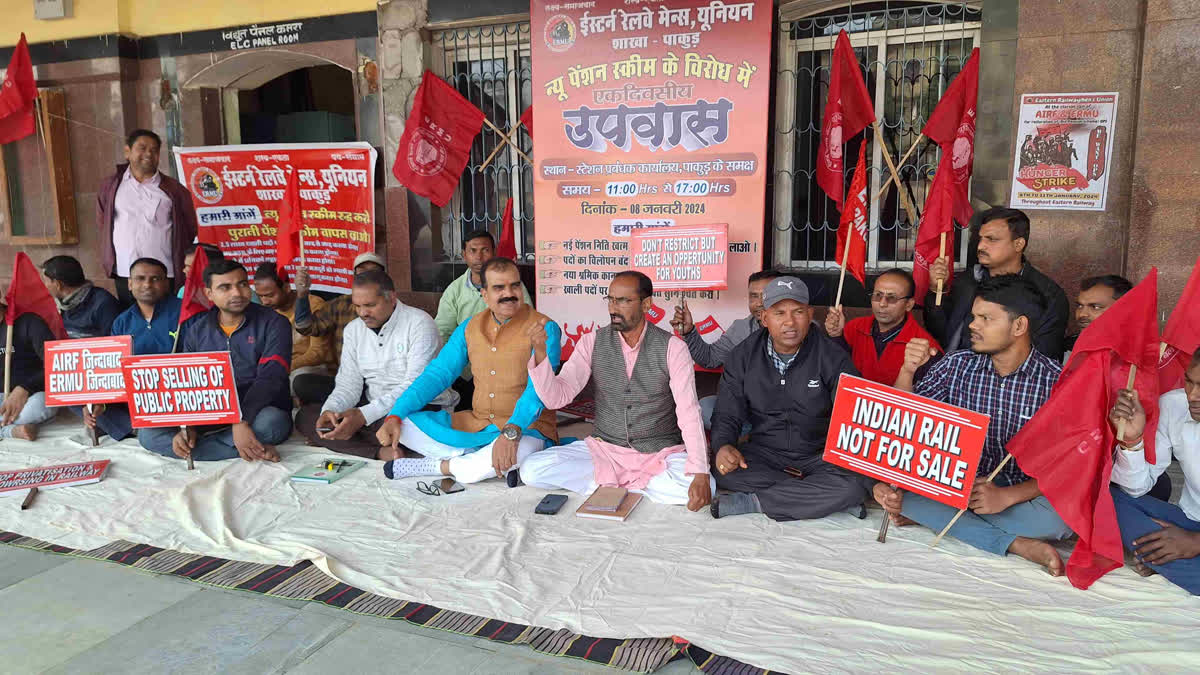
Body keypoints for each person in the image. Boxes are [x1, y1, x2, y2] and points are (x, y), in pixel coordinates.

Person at [873, 275, 1074, 575]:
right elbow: (904, 421)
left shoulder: (1058, 384)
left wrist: (1006, 496)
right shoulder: (957, 364)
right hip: (955, 487)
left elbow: (1069, 466)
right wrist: (907, 370)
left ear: (1019, 326)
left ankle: (944, 519)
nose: (973, 325)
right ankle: (1017, 544)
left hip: (1022, 495)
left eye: (985, 318)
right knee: (902, 498)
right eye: (974, 316)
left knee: (1062, 521)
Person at [520, 271, 714, 511]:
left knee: (706, 486)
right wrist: (540, 353)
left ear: (646, 304)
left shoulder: (673, 348)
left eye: (623, 301)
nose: (614, 307)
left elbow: (688, 411)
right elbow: (557, 397)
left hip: (659, 453)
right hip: (606, 450)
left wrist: (700, 471)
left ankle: (609, 487)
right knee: (532, 470)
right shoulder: (592, 341)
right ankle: (632, 486)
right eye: (610, 299)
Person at [375, 257, 558, 484]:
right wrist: (395, 414)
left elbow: (538, 391)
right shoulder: (470, 328)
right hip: (478, 423)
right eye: (499, 288)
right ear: (484, 294)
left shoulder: (544, 328)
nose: (509, 293)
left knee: (523, 452)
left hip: (527, 428)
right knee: (404, 424)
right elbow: (437, 374)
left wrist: (512, 432)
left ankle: (440, 466)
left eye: (515, 285)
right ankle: (486, 460)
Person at [709, 276, 870, 520]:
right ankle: (820, 497)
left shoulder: (832, 357)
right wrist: (723, 445)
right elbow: (727, 411)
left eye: (798, 312)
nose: (790, 322)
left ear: (810, 313)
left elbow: (853, 420)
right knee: (722, 469)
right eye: (779, 313)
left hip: (819, 455)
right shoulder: (743, 356)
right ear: (764, 318)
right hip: (766, 453)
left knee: (854, 484)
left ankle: (755, 502)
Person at [138, 260, 293, 462]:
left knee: (272, 423)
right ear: (209, 294)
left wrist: (241, 420)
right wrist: (188, 426)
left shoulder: (274, 323)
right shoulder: (197, 330)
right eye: (225, 287)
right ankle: (249, 447)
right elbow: (190, 384)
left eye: (242, 284)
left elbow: (272, 376)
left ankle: (233, 443)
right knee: (148, 434)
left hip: (258, 410)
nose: (237, 293)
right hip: (212, 413)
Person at [296, 270, 455, 458]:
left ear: (392, 298)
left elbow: (415, 387)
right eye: (357, 306)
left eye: (370, 305)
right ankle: (381, 451)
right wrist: (331, 411)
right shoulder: (354, 330)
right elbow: (348, 384)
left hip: (419, 406)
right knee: (306, 417)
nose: (363, 313)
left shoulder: (419, 323)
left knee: (410, 427)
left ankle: (354, 441)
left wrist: (363, 416)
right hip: (374, 407)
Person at [924, 207, 1069, 361]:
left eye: (991, 239)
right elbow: (939, 332)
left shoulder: (1047, 295)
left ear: (1018, 244)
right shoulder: (967, 281)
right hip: (955, 374)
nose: (980, 246)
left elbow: (1045, 356)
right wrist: (936, 290)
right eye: (980, 239)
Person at [1108, 352, 1200, 593]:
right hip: (1189, 520)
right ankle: (1171, 558)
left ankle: (1167, 560)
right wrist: (1132, 439)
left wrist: (1195, 543)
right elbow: (1137, 486)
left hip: (1191, 535)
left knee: (1155, 548)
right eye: (1189, 381)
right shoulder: (1174, 405)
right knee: (1104, 497)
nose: (1192, 395)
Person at [83, 257, 181, 441]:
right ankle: (136, 426)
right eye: (140, 278)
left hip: (175, 391)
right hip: (137, 394)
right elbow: (113, 369)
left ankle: (136, 427)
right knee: (82, 400)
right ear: (129, 284)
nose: (147, 285)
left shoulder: (185, 314)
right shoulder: (122, 321)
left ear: (166, 283)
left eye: (155, 279)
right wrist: (100, 403)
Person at [97, 129, 198, 306]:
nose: (148, 154)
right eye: (142, 148)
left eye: (154, 150)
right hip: (125, 271)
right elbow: (103, 223)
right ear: (127, 152)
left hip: (165, 271)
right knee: (133, 320)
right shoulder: (111, 186)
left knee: (167, 318)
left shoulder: (173, 189)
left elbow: (189, 228)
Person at [433, 230, 532, 410]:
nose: (479, 257)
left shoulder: (513, 287)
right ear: (464, 255)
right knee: (467, 423)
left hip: (507, 370)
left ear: (494, 252)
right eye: (473, 250)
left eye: (485, 250)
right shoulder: (454, 291)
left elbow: (527, 323)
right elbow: (443, 333)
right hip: (466, 373)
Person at [672, 268, 783, 428]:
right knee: (705, 408)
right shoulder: (742, 328)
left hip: (787, 413)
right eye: (754, 296)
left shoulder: (798, 327)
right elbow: (710, 359)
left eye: (766, 295)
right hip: (748, 411)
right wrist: (689, 331)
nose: (759, 303)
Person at [291, 252, 388, 406]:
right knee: (301, 381)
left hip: (383, 384)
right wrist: (302, 294)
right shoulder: (341, 304)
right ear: (354, 276)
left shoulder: (393, 307)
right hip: (346, 382)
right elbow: (305, 327)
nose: (364, 312)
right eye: (362, 271)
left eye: (374, 271)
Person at [825, 268, 941, 385]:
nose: (882, 303)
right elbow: (835, 371)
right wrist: (836, 335)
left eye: (892, 298)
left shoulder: (924, 347)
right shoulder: (854, 328)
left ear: (909, 305)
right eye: (878, 295)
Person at [254, 262, 335, 398]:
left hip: (314, 369)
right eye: (260, 296)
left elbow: (318, 353)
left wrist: (283, 367)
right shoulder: (265, 313)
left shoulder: (314, 304)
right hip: (281, 368)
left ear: (286, 288)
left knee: (294, 380)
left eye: (269, 295)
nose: (265, 301)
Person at [0, 308, 56, 441]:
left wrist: (24, 388)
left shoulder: (29, 322)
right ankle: (10, 431)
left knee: (44, 404)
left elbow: (55, 364)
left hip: (32, 396)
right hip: (2, 399)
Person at [41, 255, 121, 339]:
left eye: (46, 281)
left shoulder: (103, 304)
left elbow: (115, 342)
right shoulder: (56, 305)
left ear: (58, 284)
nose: (44, 285)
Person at [1067, 274, 1133, 357]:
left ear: (1123, 310)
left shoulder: (1136, 355)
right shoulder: (1069, 347)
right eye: (1080, 306)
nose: (1082, 314)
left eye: (1095, 307)